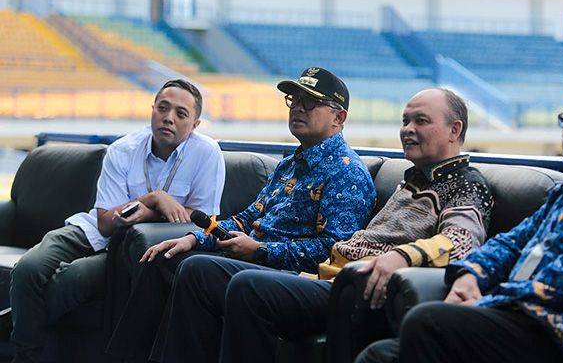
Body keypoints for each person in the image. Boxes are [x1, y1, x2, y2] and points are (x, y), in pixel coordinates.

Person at [152, 88, 494, 363]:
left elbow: (461, 241)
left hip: (351, 286)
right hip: (325, 276)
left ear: (455, 130)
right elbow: (250, 215)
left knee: (247, 286)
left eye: (420, 121)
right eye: (405, 121)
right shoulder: (413, 180)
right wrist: (198, 238)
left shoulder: (464, 183)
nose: (408, 129)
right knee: (196, 269)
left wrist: (402, 257)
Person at [357, 84, 563, 363]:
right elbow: (508, 244)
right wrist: (470, 276)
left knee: (429, 322)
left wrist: (487, 302)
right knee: (379, 356)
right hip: (527, 321)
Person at [105, 67, 376, 362]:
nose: (298, 107)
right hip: (254, 260)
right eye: (294, 99)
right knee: (164, 257)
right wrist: (194, 239)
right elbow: (246, 219)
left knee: (197, 271)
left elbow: (332, 251)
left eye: (310, 102)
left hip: (290, 275)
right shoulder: (289, 165)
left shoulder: (347, 173)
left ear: (339, 118)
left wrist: (261, 251)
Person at [9, 79, 226, 363]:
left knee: (74, 278)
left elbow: (199, 223)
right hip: (92, 232)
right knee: (28, 269)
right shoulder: (123, 150)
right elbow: (105, 223)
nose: (168, 118)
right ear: (152, 110)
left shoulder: (207, 154)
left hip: (133, 250)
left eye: (180, 113)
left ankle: (18, 332)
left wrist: (147, 211)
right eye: (162, 108)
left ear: (195, 124)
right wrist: (154, 198)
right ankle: (25, 354)